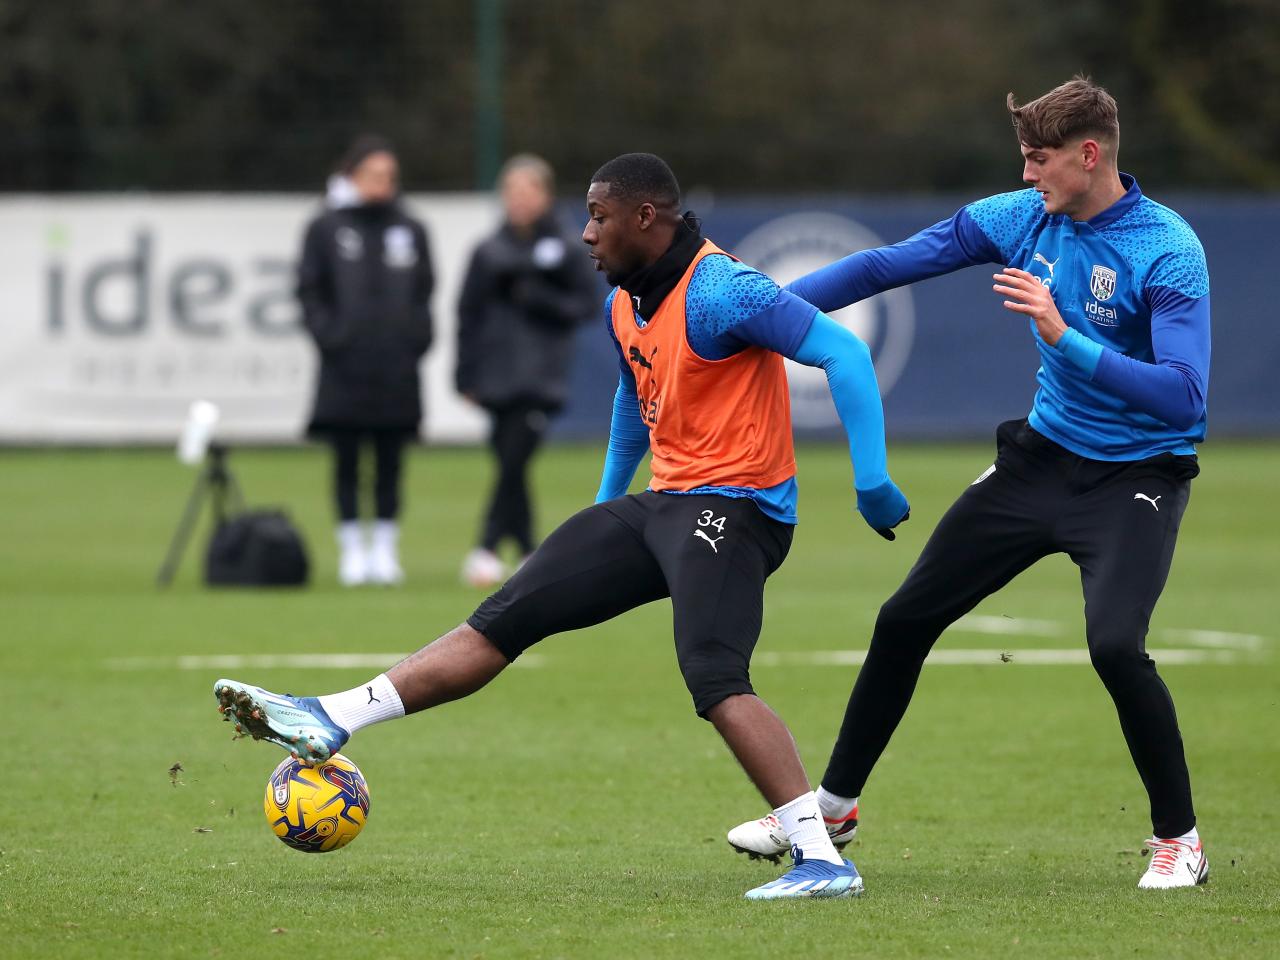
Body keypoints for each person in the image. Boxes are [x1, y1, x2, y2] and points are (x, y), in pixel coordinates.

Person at [212, 152, 910, 900]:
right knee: (505, 617)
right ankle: (332, 718)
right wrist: (609, 503)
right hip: (665, 505)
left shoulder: (722, 288)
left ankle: (824, 859)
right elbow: (631, 398)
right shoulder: (625, 304)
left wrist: (870, 480)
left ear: (646, 218)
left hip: (738, 510)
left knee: (714, 676)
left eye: (599, 217)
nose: (586, 234)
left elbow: (842, 351)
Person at [725, 77, 1211, 891]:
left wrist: (1065, 334)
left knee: (1116, 646)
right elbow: (887, 265)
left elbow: (1186, 396)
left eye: (1040, 159)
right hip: (1040, 462)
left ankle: (1180, 842)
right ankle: (835, 809)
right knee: (906, 616)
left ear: (1089, 156)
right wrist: (761, 311)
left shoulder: (1168, 247)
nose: (1028, 175)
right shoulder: (1021, 218)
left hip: (1139, 477)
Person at [297, 135, 435, 587]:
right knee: (347, 459)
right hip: (345, 367)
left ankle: (385, 548)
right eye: (373, 174)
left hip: (396, 367)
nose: (382, 183)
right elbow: (309, 290)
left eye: (389, 176)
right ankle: (352, 550)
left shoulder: (410, 228)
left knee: (392, 459)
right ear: (351, 175)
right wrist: (333, 337)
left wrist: (415, 338)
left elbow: (424, 290)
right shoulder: (326, 227)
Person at [456, 154, 597, 588]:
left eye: (528, 191)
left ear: (546, 195)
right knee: (509, 463)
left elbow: (586, 305)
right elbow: (468, 314)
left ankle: (486, 547)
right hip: (496, 376)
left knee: (513, 461)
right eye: (511, 192)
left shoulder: (568, 247)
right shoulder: (488, 250)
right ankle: (529, 548)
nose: (519, 201)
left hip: (540, 376)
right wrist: (464, 375)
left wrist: (535, 297)